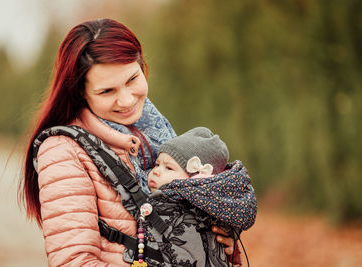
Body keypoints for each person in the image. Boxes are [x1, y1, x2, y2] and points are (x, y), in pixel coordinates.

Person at [19, 18, 245, 266]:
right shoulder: (63, 150)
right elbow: (73, 261)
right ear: (80, 92)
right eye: (107, 91)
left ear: (142, 66)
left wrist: (220, 246)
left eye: (132, 80)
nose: (126, 100)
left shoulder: (158, 134)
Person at [142, 126, 255, 266]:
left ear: (196, 178)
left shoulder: (201, 208)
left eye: (169, 168)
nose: (156, 171)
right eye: (157, 164)